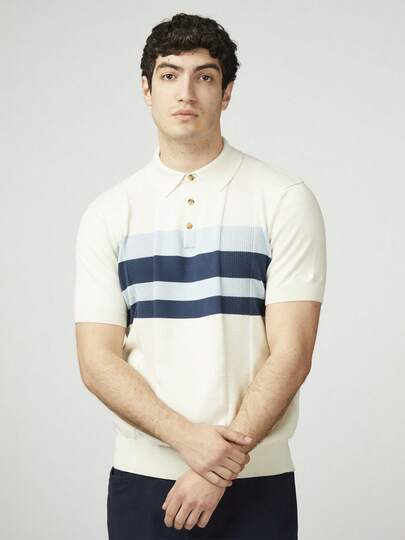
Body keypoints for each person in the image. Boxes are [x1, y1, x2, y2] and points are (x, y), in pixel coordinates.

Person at [74, 12, 327, 540]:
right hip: (144, 479)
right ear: (146, 89)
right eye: (169, 75)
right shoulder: (109, 213)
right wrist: (188, 441)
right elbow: (97, 362)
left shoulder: (284, 199)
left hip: (257, 481)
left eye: (205, 76)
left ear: (226, 92)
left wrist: (217, 468)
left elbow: (293, 353)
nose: (185, 92)